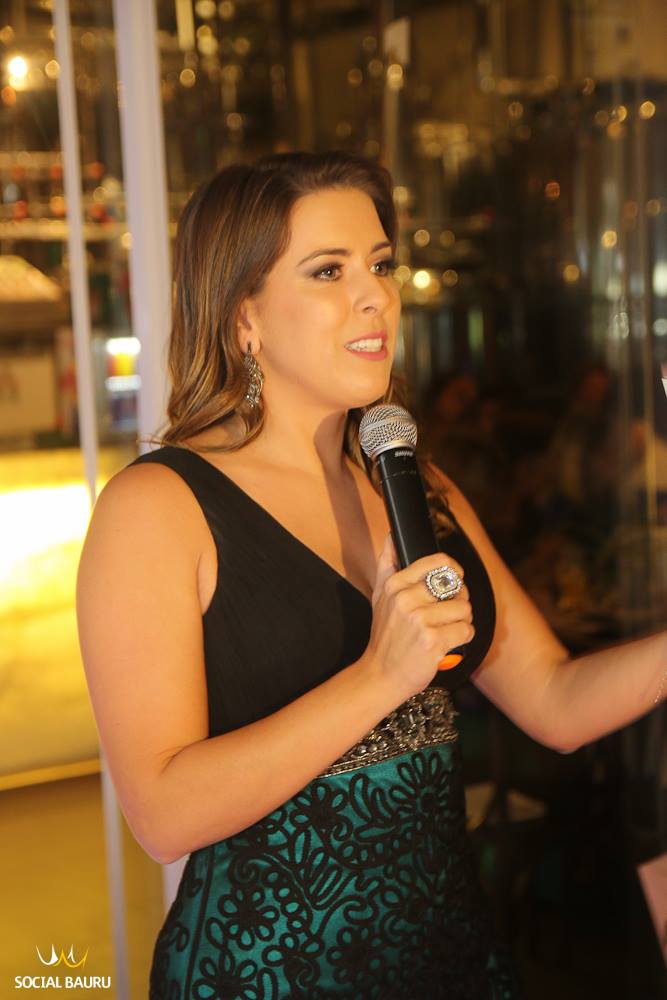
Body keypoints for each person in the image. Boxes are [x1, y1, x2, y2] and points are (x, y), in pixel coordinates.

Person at [76, 150, 666, 1000]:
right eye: (329, 271)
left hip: (453, 965)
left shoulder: (416, 487)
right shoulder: (158, 507)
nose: (375, 297)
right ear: (243, 316)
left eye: (381, 266)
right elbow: (162, 817)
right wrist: (380, 675)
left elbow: (555, 701)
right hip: (269, 976)